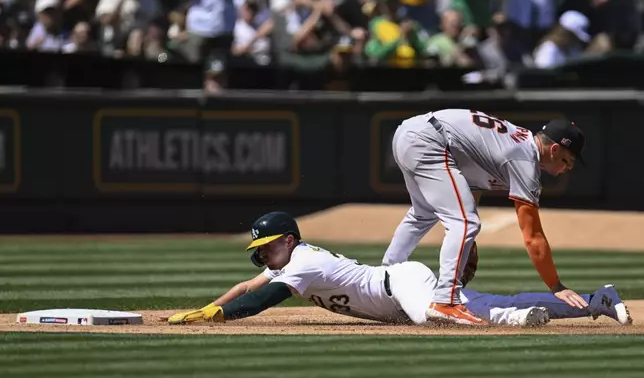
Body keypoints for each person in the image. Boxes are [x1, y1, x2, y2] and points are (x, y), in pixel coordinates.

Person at [167, 212, 632, 327]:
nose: (263, 255)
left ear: (288, 240)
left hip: (402, 285)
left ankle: (517, 323)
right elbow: (247, 285)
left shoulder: (301, 263)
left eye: (267, 247)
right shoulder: (289, 262)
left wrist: (223, 318)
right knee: (492, 301)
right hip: (396, 295)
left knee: (437, 315)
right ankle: (598, 301)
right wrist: (210, 306)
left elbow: (261, 300)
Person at [381, 108, 590, 325]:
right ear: (555, 149)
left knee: (423, 214)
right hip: (429, 139)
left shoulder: (515, 143)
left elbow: (470, 182)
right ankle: (445, 301)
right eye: (568, 160)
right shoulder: (524, 160)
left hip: (411, 133)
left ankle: (383, 282)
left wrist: (466, 244)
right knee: (465, 222)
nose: (568, 167)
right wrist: (555, 286)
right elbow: (533, 236)